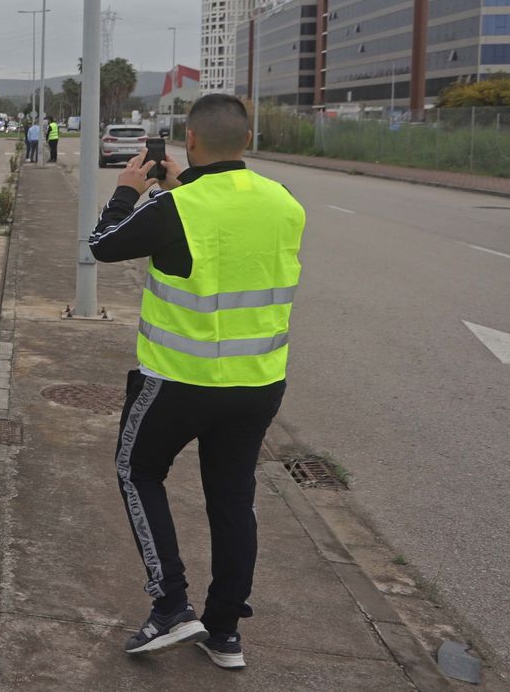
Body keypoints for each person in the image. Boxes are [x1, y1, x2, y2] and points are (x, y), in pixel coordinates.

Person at [87, 94, 306, 671]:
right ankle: (225, 631)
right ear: (248, 140)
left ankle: (171, 606)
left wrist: (130, 189)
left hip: (179, 380)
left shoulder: (175, 208)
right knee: (233, 498)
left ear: (188, 138)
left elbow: (102, 245)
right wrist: (183, 186)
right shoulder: (284, 202)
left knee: (137, 472)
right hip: (259, 384)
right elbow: (221, 235)